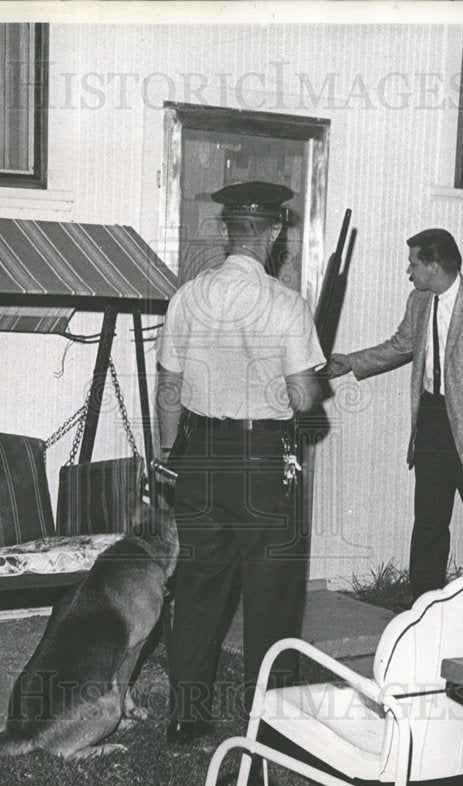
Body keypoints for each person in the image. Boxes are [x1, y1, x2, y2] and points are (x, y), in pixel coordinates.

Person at [156, 181, 326, 743]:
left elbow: (169, 389)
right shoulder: (286, 304)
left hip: (199, 457)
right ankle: (272, 727)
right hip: (262, 460)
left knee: (200, 590)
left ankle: (187, 717)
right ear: (275, 232)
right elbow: (303, 399)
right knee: (272, 596)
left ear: (228, 230)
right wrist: (312, 377)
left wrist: (168, 457)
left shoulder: (186, 297)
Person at [325, 228, 463, 600]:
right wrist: (350, 363)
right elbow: (402, 344)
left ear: (434, 265)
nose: (409, 270)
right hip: (432, 423)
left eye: (414, 263)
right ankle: (424, 604)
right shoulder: (419, 301)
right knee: (430, 521)